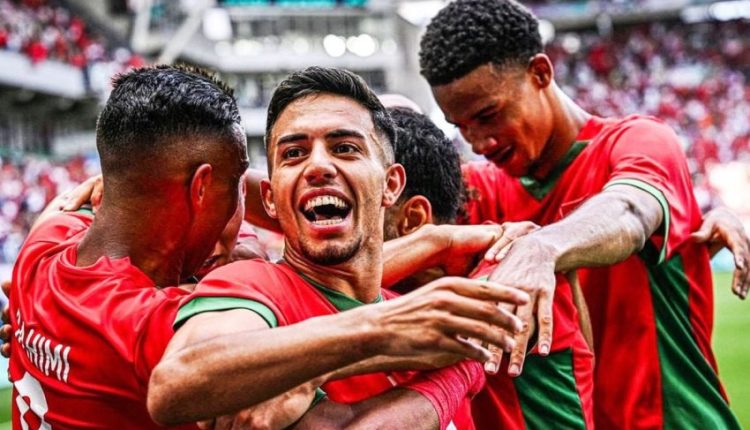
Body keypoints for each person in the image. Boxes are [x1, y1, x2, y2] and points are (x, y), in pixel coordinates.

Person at [419, 0, 744, 428]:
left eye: (488, 115)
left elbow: (630, 210)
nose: (479, 142)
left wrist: (544, 246)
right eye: (460, 126)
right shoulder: (481, 190)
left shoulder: (639, 141)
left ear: (540, 73)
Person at [148, 67, 530, 429]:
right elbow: (177, 382)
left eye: (345, 148)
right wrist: (381, 331)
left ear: (391, 185)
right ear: (270, 199)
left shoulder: (429, 319)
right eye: (293, 153)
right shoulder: (253, 286)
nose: (318, 166)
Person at [8, 65, 250, 428]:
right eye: (237, 183)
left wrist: (135, 175)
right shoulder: (155, 326)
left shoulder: (46, 238)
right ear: (200, 188)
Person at [383, 106, 593, 429]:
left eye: (363, 203)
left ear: (411, 219)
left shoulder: (512, 270)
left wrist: (435, 241)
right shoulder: (405, 281)